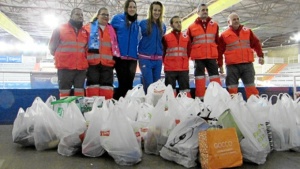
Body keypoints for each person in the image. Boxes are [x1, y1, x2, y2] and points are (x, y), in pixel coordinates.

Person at [218, 12, 264, 99]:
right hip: (232, 67)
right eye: (234, 19)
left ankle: (255, 107)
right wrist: (220, 65)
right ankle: (233, 108)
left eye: (237, 19)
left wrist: (260, 56)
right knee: (232, 89)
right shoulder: (224, 35)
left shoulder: (248, 31)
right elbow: (219, 51)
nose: (236, 21)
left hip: (247, 65)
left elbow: (256, 43)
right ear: (229, 22)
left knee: (251, 88)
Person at [48, 8, 88, 98]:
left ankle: (78, 111)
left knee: (79, 94)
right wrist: (63, 58)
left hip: (80, 69)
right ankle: (65, 111)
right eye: (77, 14)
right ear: (71, 16)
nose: (80, 16)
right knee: (64, 93)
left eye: (82, 15)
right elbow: (52, 48)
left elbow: (86, 49)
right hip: (65, 68)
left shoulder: (85, 32)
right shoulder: (60, 29)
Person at [187, 3, 222, 100]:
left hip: (211, 56)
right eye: (203, 10)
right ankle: (200, 99)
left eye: (206, 10)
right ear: (198, 12)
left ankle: (217, 98)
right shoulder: (191, 27)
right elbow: (188, 44)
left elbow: (217, 42)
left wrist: (219, 61)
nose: (205, 12)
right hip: (198, 58)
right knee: (199, 79)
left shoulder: (215, 25)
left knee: (215, 78)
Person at [84, 7, 120, 99]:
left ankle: (106, 108)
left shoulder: (112, 30)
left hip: (107, 64)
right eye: (103, 14)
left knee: (107, 88)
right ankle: (92, 108)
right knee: (92, 86)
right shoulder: (88, 27)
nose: (106, 16)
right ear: (97, 15)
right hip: (92, 63)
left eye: (107, 15)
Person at [111, 0, 139, 100]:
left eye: (134, 7)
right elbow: (110, 34)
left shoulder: (137, 23)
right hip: (120, 58)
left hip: (132, 58)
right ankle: (118, 104)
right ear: (126, 8)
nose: (132, 9)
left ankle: (127, 106)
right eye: (130, 7)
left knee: (129, 85)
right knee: (122, 84)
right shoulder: (117, 19)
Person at [138, 1, 166, 93]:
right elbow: (137, 39)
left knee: (156, 86)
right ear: (151, 11)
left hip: (158, 60)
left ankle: (154, 106)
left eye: (159, 10)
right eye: (155, 10)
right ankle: (146, 105)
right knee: (149, 84)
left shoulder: (163, 26)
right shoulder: (142, 24)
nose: (157, 12)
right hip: (145, 59)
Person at [162, 16, 191, 97]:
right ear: (171, 25)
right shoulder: (166, 38)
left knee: (185, 92)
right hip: (170, 69)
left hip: (183, 69)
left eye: (179, 22)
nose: (179, 24)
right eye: (176, 22)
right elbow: (163, 53)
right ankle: (171, 108)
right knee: (170, 93)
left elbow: (188, 52)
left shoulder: (186, 37)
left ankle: (186, 106)